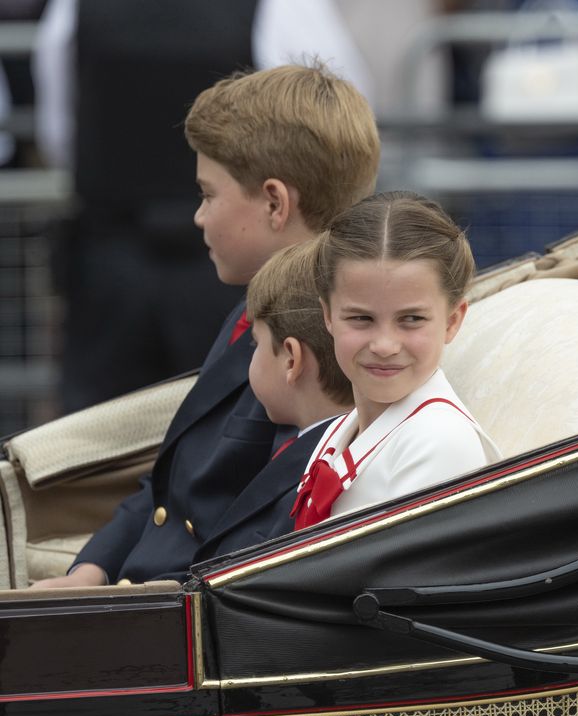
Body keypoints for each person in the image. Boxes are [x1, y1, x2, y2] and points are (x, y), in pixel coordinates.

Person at [29, 62, 380, 588]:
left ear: (274, 203)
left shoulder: (318, 344)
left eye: (207, 194)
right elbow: (170, 486)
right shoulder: (248, 316)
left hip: (186, 614)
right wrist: (91, 568)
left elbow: (275, 517)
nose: (198, 216)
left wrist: (162, 601)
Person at [290, 191, 501, 529]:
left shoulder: (440, 442)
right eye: (361, 319)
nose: (385, 345)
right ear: (327, 315)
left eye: (412, 319)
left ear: (452, 320)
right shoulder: (341, 430)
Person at [187, 241, 354, 565]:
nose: (252, 354)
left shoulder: (319, 470)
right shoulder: (312, 447)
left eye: (255, 343)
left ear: (291, 359)